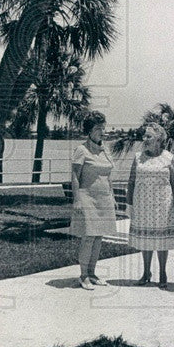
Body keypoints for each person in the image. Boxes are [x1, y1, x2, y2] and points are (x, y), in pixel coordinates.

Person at [126, 122, 174, 288]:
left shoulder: (169, 158)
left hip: (163, 205)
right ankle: (146, 272)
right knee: (145, 239)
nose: (145, 139)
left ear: (159, 139)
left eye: (148, 136)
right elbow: (131, 181)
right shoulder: (138, 157)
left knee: (162, 239)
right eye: (144, 136)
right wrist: (129, 205)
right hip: (142, 204)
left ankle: (163, 272)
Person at [70, 111, 116, 289]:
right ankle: (83, 275)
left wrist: (111, 196)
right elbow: (74, 175)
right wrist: (77, 200)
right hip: (87, 197)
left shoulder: (106, 150)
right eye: (98, 129)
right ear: (89, 131)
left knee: (99, 237)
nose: (102, 132)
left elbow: (108, 175)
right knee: (89, 237)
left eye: (103, 128)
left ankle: (92, 272)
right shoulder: (81, 150)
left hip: (104, 199)